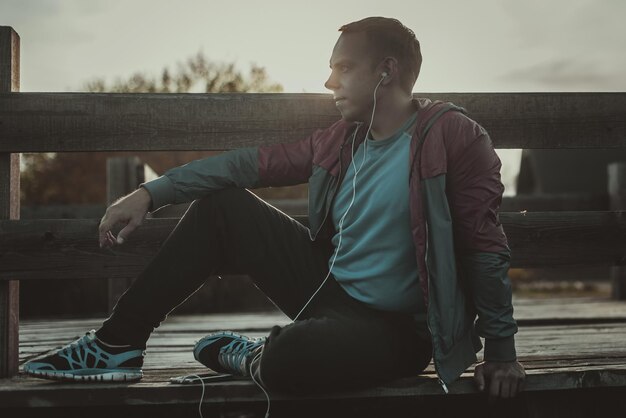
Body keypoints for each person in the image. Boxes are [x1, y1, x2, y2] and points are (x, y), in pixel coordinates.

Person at [23, 16, 525, 399]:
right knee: (223, 205)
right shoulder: (343, 141)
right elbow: (248, 166)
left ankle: (256, 356)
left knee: (289, 361)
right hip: (327, 288)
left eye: (344, 68)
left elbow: (484, 245)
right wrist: (151, 194)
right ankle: (117, 345)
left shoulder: (454, 136)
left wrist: (501, 352)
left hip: (398, 330)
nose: (330, 83)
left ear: (387, 71)